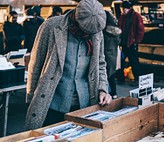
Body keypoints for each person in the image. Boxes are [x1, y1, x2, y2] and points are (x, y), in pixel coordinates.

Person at [25, 0, 112, 130]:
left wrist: (103, 89)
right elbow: (36, 64)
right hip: (52, 102)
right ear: (76, 19)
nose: (88, 35)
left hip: (84, 104)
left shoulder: (96, 31)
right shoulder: (50, 26)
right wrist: (31, 98)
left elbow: (100, 63)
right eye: (85, 31)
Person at [118, 0, 144, 85]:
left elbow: (140, 30)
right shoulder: (123, 17)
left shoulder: (136, 16)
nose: (123, 10)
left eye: (124, 8)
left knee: (134, 62)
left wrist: (136, 41)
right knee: (121, 62)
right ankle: (121, 78)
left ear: (128, 8)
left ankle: (138, 80)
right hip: (124, 43)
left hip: (131, 43)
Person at [103, 10, 121, 99]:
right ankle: (114, 92)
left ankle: (106, 93)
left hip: (105, 54)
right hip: (114, 54)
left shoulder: (104, 31)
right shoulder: (116, 31)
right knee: (112, 74)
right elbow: (118, 42)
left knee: (104, 75)